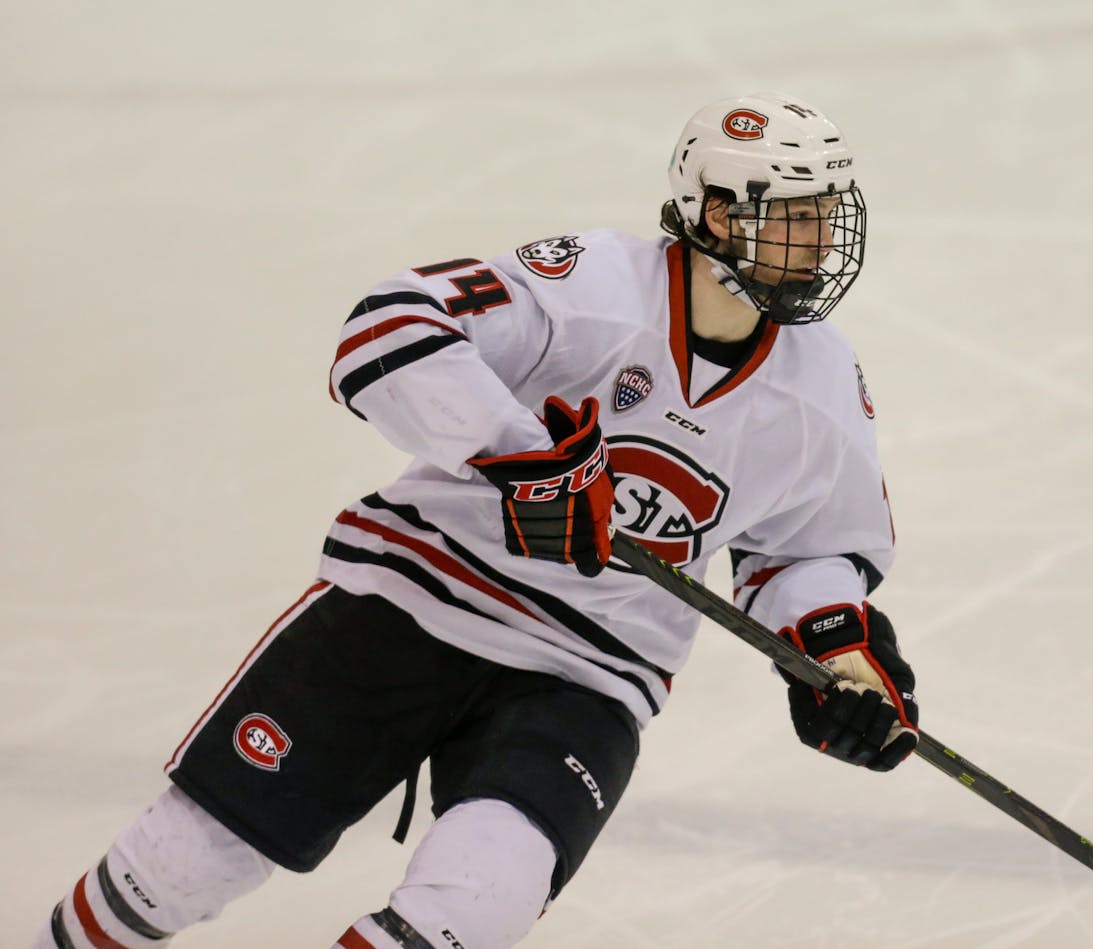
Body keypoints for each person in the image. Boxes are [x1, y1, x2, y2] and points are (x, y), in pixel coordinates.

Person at [33, 91, 919, 949]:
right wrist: (521, 457)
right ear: (719, 215)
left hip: (590, 673)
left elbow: (810, 548)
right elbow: (385, 328)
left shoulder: (823, 388)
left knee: (474, 908)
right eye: (800, 212)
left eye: (829, 209)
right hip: (414, 601)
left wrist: (837, 651)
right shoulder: (595, 285)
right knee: (179, 866)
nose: (824, 237)